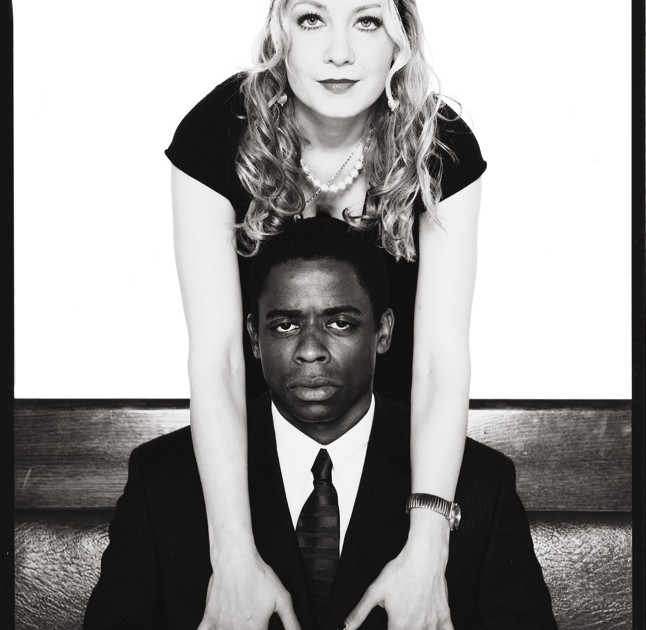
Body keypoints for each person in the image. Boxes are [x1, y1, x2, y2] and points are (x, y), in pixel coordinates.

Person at [166, 1, 486, 628]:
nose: (339, 52)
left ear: (401, 37)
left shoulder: (440, 146)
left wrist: (428, 550)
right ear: (279, 31)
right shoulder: (217, 134)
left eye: (367, 21)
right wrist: (232, 557)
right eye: (313, 18)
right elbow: (219, 360)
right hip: (257, 458)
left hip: (392, 460)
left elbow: (440, 363)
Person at [84, 218, 557, 630]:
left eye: (340, 323)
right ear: (253, 338)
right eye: (286, 325)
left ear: (384, 332)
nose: (311, 350)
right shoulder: (164, 479)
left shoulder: (479, 483)